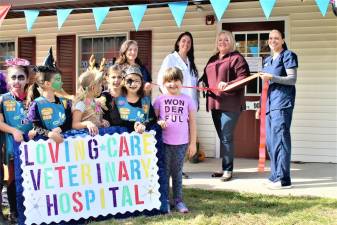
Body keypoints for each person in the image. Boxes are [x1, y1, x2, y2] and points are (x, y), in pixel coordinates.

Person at [199, 30, 250, 181]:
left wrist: (228, 84)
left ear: (231, 42)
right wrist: (202, 83)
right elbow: (205, 76)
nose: (222, 42)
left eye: (226, 40)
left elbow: (245, 78)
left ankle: (228, 170)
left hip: (231, 105)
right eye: (220, 40)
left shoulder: (237, 58)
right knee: (223, 138)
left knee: (226, 137)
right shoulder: (213, 59)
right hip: (215, 103)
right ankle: (225, 168)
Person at [258, 29, 298, 189]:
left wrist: (272, 77)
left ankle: (284, 179)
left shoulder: (288, 55)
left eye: (276, 38)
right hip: (269, 106)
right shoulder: (267, 60)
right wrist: (261, 106)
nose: (273, 40)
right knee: (271, 142)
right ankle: (274, 175)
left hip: (281, 104)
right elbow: (265, 87)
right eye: (270, 38)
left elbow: (292, 79)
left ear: (282, 40)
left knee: (280, 140)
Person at [154, 67, 197, 213]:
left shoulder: (188, 100)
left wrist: (192, 143)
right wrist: (159, 122)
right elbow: (154, 120)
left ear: (182, 81)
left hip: (182, 143)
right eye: (169, 81)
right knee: (164, 172)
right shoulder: (159, 100)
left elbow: (192, 123)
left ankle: (178, 200)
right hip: (164, 143)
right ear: (164, 83)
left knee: (177, 172)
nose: (173, 84)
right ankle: (165, 200)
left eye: (176, 80)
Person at [0, 58, 33, 223]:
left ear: (27, 79)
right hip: (13, 149)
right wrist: (13, 130)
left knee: (32, 179)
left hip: (34, 148)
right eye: (13, 77)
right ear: (7, 79)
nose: (17, 81)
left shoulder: (34, 97)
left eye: (21, 77)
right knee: (13, 179)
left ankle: (32, 211)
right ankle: (14, 211)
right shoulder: (3, 99)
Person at [27, 48, 72, 143]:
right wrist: (49, 134)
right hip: (45, 146)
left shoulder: (65, 102)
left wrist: (59, 129)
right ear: (47, 84)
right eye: (58, 79)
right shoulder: (36, 104)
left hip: (64, 143)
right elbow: (36, 127)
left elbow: (68, 122)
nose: (62, 82)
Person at [157, 31, 199, 108]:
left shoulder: (191, 62)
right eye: (183, 41)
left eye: (189, 42)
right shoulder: (170, 58)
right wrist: (170, 98)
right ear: (178, 43)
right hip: (175, 104)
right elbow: (161, 80)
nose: (186, 44)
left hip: (191, 106)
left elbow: (194, 85)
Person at [115, 66, 156, 133]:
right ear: (124, 82)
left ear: (141, 83)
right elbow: (115, 122)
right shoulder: (118, 100)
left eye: (137, 81)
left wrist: (143, 125)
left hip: (141, 140)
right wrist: (133, 124)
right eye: (129, 80)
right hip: (122, 140)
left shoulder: (145, 101)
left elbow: (152, 120)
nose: (133, 84)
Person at [72, 70, 110, 136]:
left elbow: (96, 119)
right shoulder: (81, 104)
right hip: (85, 139)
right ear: (93, 87)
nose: (102, 87)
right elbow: (75, 124)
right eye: (100, 85)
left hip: (96, 137)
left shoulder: (95, 102)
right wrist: (87, 123)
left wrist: (102, 122)